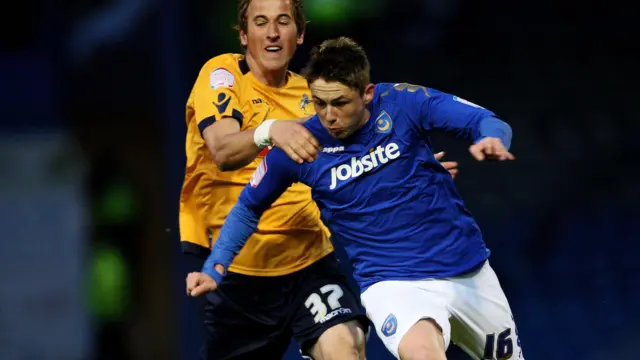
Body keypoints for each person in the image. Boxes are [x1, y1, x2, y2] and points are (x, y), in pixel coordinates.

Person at [186, 37, 524, 360]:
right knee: (422, 354)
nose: (328, 115)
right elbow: (247, 208)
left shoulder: (403, 102)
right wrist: (217, 266)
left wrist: (492, 139)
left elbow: (485, 120)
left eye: (340, 103)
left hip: (469, 271)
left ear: (367, 93)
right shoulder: (299, 146)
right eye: (319, 103)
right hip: (392, 283)